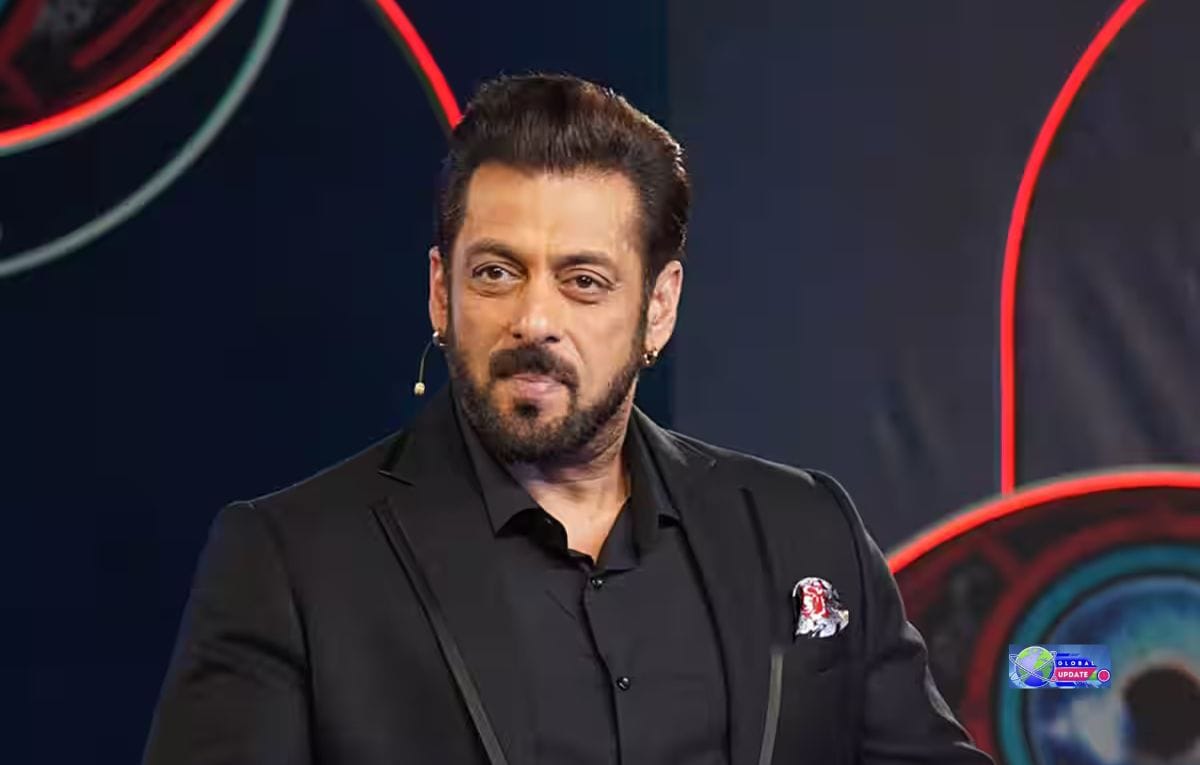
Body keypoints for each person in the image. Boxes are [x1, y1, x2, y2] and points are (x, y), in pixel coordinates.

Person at [144, 73, 992, 765]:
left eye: (583, 281)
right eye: (496, 273)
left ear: (659, 306)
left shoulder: (806, 530)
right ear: (440, 291)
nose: (534, 319)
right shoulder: (292, 563)